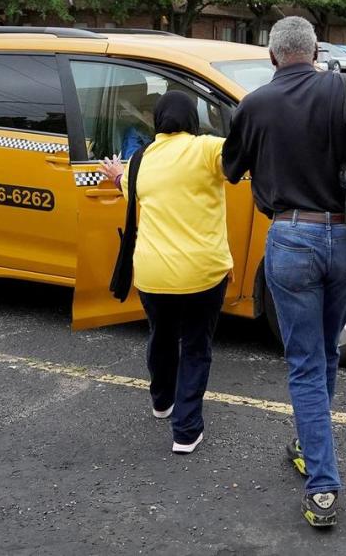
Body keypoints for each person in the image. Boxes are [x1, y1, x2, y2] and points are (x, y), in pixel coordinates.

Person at [222, 17, 346, 528]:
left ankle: (323, 485)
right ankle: (307, 444)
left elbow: (230, 169)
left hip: (291, 239)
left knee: (305, 362)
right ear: (313, 51)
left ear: (273, 56)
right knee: (325, 351)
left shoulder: (255, 105)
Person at [98, 90, 232, 455]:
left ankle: (161, 401)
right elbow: (240, 156)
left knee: (162, 335)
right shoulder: (206, 149)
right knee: (195, 346)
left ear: (158, 121)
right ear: (191, 120)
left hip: (153, 274)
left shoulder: (140, 160)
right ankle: (186, 432)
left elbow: (128, 189)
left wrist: (114, 175)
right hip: (204, 272)